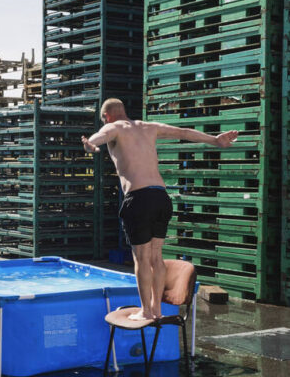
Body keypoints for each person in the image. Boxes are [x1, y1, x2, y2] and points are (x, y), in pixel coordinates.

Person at [82, 98, 237, 321]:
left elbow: (100, 137)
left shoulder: (112, 127)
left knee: (142, 259)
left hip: (139, 197)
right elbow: (183, 132)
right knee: (156, 256)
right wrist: (215, 140)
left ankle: (146, 310)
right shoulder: (148, 126)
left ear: (106, 116)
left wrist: (91, 145)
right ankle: (156, 308)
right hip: (161, 196)